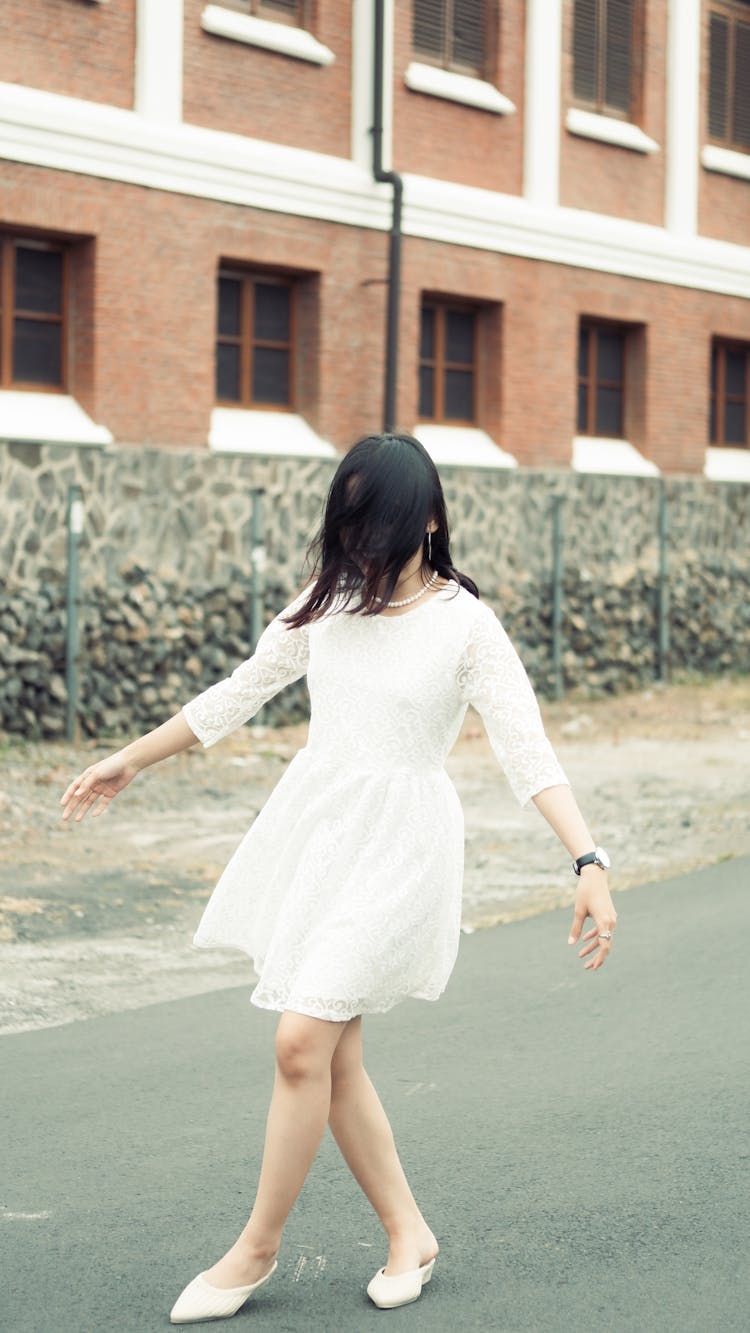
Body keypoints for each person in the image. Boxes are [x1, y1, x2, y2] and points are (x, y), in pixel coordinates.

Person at [60, 432, 616, 1322]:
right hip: (321, 838)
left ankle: (255, 1249)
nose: (360, 539)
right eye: (348, 519)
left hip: (403, 850)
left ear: (428, 518)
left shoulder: (464, 623)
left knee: (298, 1042)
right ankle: (409, 1231)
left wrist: (587, 859)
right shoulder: (327, 607)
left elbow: (527, 749)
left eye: (378, 519)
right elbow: (237, 693)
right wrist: (132, 759)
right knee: (334, 1054)